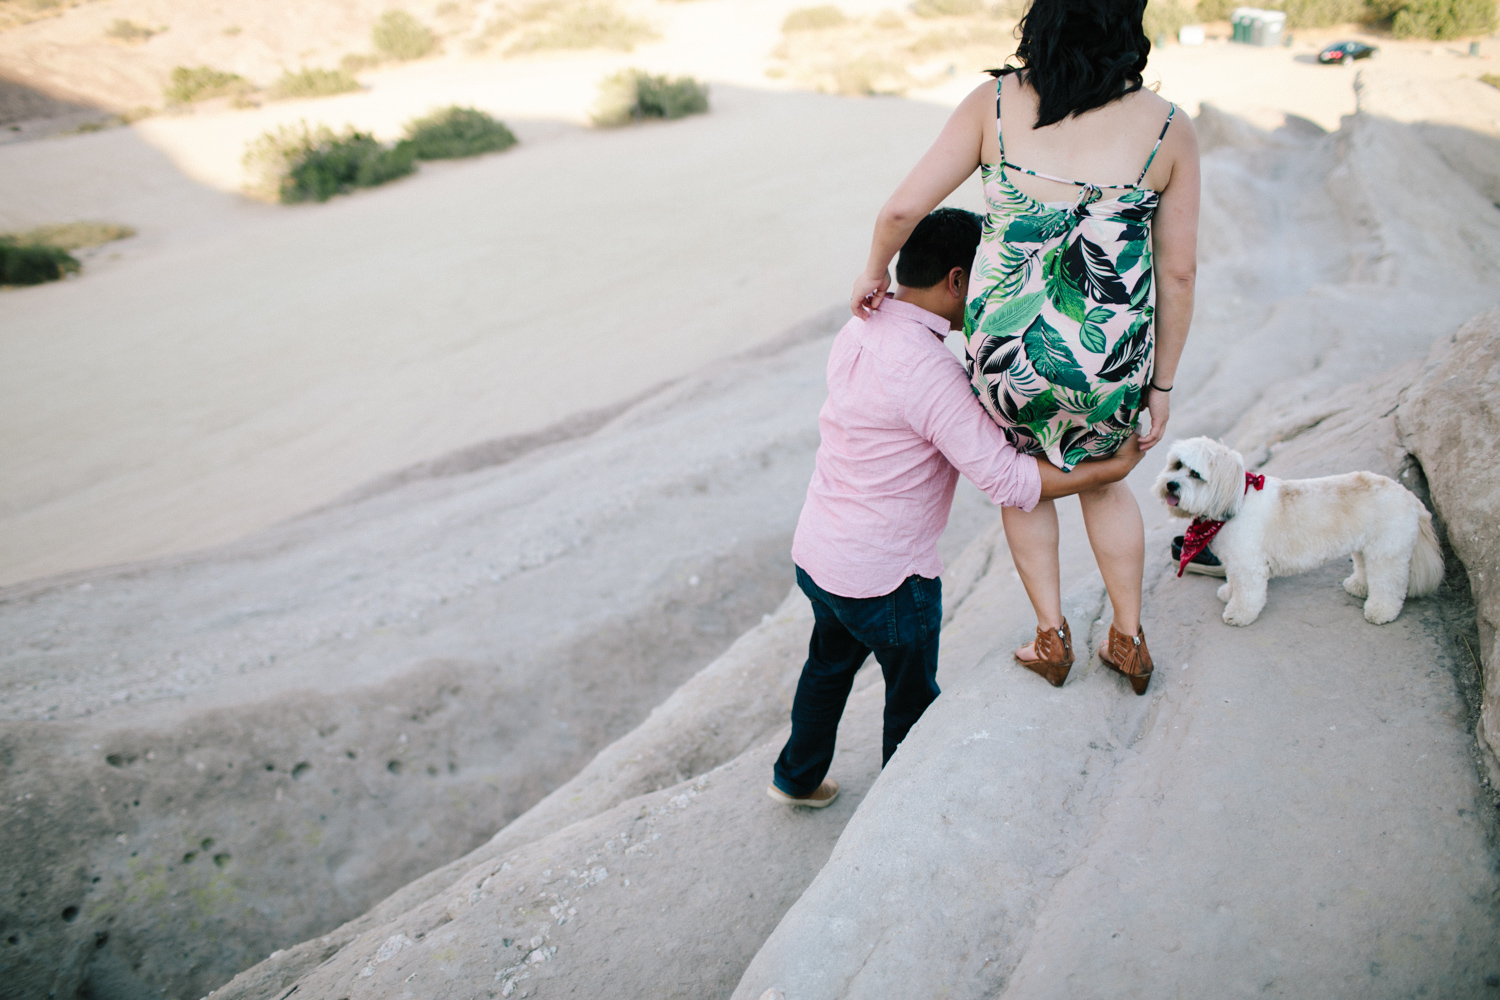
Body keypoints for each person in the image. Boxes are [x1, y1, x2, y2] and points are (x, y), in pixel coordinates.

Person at [850, 0, 1200, 698]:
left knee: (1025, 476)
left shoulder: (996, 105)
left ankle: (1050, 636)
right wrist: (1158, 387)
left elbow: (898, 211)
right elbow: (1179, 272)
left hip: (1008, 350)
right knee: (1104, 479)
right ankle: (1128, 638)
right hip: (1106, 357)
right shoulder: (1168, 127)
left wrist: (874, 271)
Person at [769, 208, 1147, 808]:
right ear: (957, 281)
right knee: (913, 697)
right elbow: (1005, 480)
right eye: (994, 279)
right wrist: (1112, 468)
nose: (999, 295)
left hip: (820, 552)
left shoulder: (861, 326)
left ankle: (796, 777)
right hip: (889, 577)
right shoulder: (929, 371)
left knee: (826, 669)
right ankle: (901, 809)